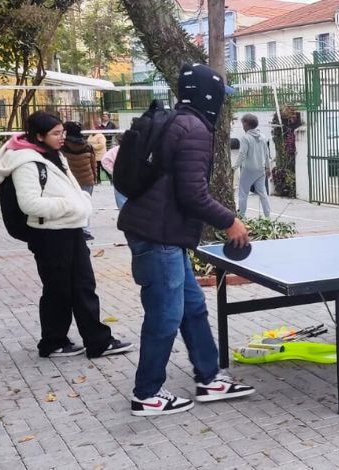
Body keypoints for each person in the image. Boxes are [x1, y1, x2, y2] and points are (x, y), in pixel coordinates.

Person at [118, 63, 254, 416]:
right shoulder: (194, 129)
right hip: (158, 235)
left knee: (192, 307)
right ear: (210, 96)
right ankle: (146, 394)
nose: (223, 102)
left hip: (162, 233)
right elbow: (193, 194)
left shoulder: (177, 120)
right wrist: (230, 221)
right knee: (165, 315)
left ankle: (209, 378)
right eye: (222, 95)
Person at [0, 111, 132, 358]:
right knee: (58, 290)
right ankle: (53, 342)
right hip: (48, 235)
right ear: (39, 136)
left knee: (83, 285)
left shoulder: (54, 155)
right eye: (56, 134)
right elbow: (30, 204)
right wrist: (72, 207)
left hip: (70, 230)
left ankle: (97, 341)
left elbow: (70, 189)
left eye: (62, 132)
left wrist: (82, 202)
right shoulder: (26, 162)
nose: (62, 137)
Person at [61, 122, 97, 241]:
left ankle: (72, 229)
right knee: (85, 204)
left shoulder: (62, 147)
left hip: (69, 181)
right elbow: (93, 164)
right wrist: (94, 178)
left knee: (70, 205)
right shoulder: (87, 146)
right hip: (87, 180)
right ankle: (85, 231)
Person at [234, 113, 271, 218]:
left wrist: (234, 167)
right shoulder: (263, 137)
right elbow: (267, 154)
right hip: (260, 170)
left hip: (248, 170)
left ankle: (242, 216)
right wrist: (268, 168)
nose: (242, 126)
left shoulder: (246, 138)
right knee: (263, 193)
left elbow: (242, 154)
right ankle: (267, 217)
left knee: (243, 193)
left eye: (243, 123)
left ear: (246, 124)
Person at [99, 132, 127, 209]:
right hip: (133, 177)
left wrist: (112, 171)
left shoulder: (114, 150)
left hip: (119, 177)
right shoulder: (135, 148)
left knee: (121, 200)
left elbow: (104, 160)